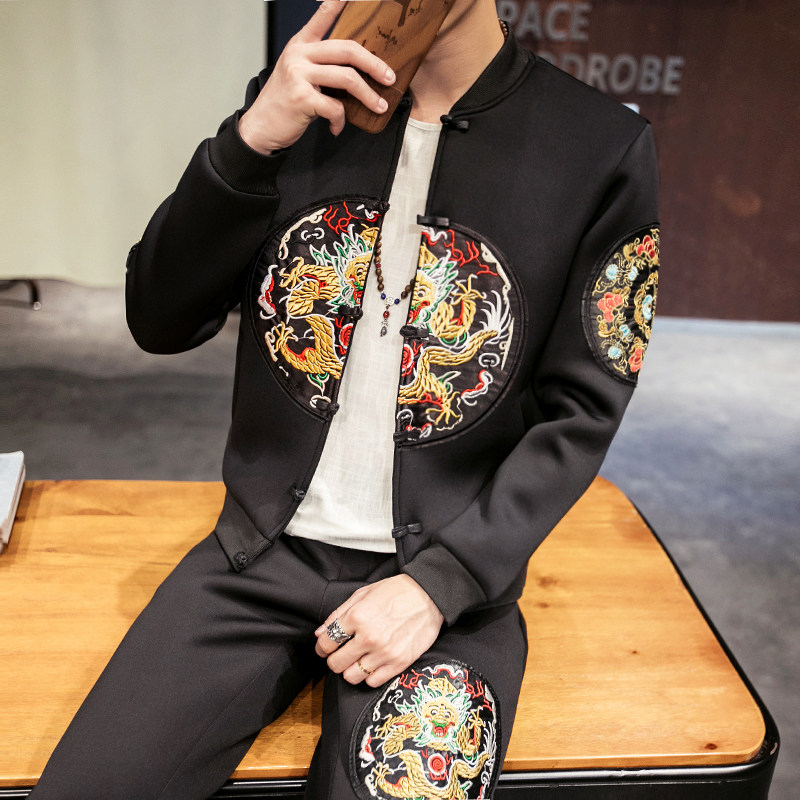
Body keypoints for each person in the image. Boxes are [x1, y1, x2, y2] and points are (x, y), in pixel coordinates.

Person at [31, 0, 660, 798]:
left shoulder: (598, 145)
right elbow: (158, 318)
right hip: (257, 555)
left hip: (444, 591)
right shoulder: (302, 103)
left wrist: (444, 582)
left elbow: (585, 408)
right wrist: (250, 141)